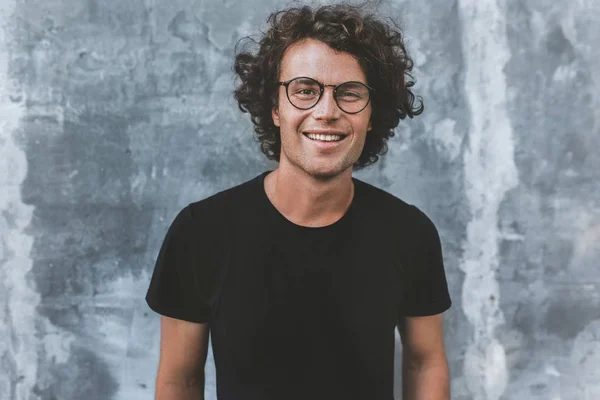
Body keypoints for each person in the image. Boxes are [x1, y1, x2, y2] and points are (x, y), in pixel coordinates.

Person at [145, 3, 452, 400]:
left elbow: (424, 362)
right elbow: (180, 380)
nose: (326, 111)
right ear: (275, 107)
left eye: (350, 93)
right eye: (305, 91)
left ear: (372, 114)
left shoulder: (410, 233)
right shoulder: (201, 232)